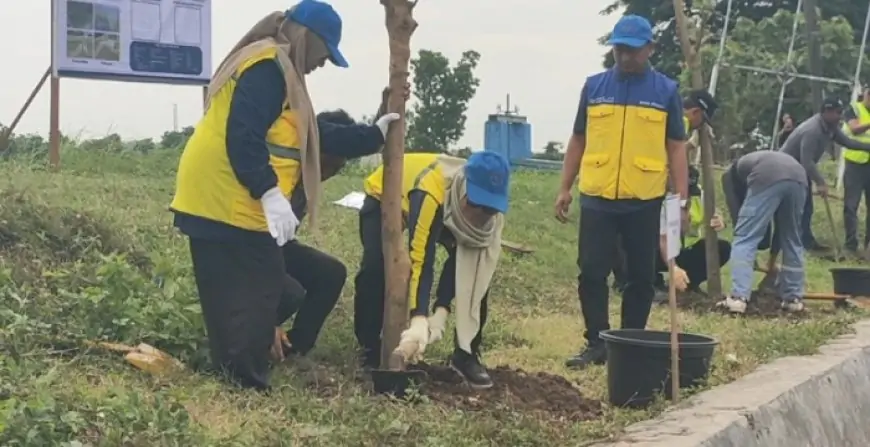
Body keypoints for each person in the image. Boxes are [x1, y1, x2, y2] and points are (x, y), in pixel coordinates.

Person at [169, 1, 400, 391]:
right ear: (308, 39)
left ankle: (238, 371)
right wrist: (269, 191)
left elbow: (314, 134)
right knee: (264, 289)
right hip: (227, 198)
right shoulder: (268, 68)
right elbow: (243, 136)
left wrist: (374, 133)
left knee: (252, 292)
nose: (323, 64)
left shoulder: (282, 74)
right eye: (326, 54)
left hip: (228, 200)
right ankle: (245, 381)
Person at [554, 14, 689, 369]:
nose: (625, 56)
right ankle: (596, 341)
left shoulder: (666, 91)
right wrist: (565, 187)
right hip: (598, 196)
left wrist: (681, 199)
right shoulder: (595, 87)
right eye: (619, 49)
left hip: (644, 199)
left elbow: (676, 146)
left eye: (632, 50)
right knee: (592, 271)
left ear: (649, 49)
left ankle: (631, 341)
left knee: (641, 276)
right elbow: (579, 138)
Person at [353, 152, 510, 389]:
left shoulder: (490, 218)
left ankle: (466, 354)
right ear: (464, 188)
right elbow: (421, 258)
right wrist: (419, 318)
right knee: (376, 267)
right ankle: (369, 348)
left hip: (447, 210)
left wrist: (441, 310)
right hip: (388, 194)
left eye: (489, 210)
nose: (481, 217)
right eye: (477, 205)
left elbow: (463, 261)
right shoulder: (430, 191)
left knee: (479, 273)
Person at [720, 151, 809, 313]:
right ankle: (793, 299)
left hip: (768, 174)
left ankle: (738, 298)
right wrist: (771, 259)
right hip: (799, 176)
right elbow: (781, 230)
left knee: (745, 237)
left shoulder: (730, 177)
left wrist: (749, 255)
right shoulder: (754, 163)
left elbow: (738, 219)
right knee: (792, 238)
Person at [778, 97, 870, 250]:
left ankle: (805, 242)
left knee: (806, 207)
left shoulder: (830, 126)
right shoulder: (812, 130)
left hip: (799, 169)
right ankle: (798, 242)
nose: (840, 116)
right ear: (826, 112)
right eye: (837, 113)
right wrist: (821, 182)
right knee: (798, 206)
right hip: (786, 169)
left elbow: (848, 142)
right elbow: (807, 161)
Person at [841, 87, 870, 254]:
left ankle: (868, 247)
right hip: (854, 164)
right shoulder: (853, 109)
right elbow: (854, 129)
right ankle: (851, 245)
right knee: (851, 206)